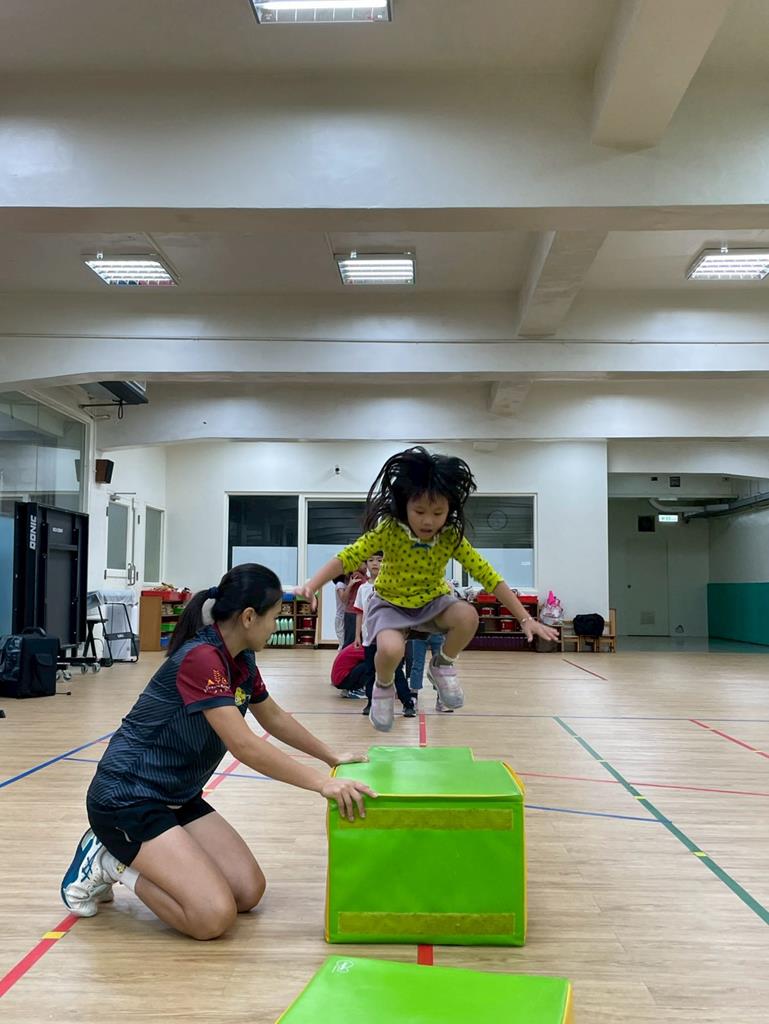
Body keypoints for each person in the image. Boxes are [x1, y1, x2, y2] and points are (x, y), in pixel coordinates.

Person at [60, 564, 375, 940]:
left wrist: (330, 756)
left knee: (247, 892)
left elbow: (273, 717)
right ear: (248, 617)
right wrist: (322, 784)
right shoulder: (201, 658)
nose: (276, 625)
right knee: (211, 917)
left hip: (177, 795)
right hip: (128, 798)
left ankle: (133, 854)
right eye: (274, 617)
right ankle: (111, 861)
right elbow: (244, 745)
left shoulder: (241, 658)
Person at [298, 446, 559, 732]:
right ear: (405, 506)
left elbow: (488, 575)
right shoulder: (391, 530)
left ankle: (442, 664)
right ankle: (383, 686)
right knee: (390, 650)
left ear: (449, 510)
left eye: (438, 512)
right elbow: (347, 557)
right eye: (419, 511)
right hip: (391, 604)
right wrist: (312, 584)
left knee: (468, 616)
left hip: (432, 603)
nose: (428, 521)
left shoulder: (450, 537)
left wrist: (525, 618)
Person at [353, 552, 415, 719]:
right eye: (371, 560)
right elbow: (359, 612)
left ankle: (407, 703)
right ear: (366, 564)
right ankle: (371, 702)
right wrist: (357, 636)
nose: (375, 563)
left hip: (390, 638)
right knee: (370, 671)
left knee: (396, 671)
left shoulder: (393, 586)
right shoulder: (363, 588)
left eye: (380, 560)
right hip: (369, 638)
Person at [407, 632, 453, 712]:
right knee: (417, 664)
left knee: (440, 666)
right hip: (419, 633)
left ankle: (441, 699)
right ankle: (414, 697)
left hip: (438, 633)